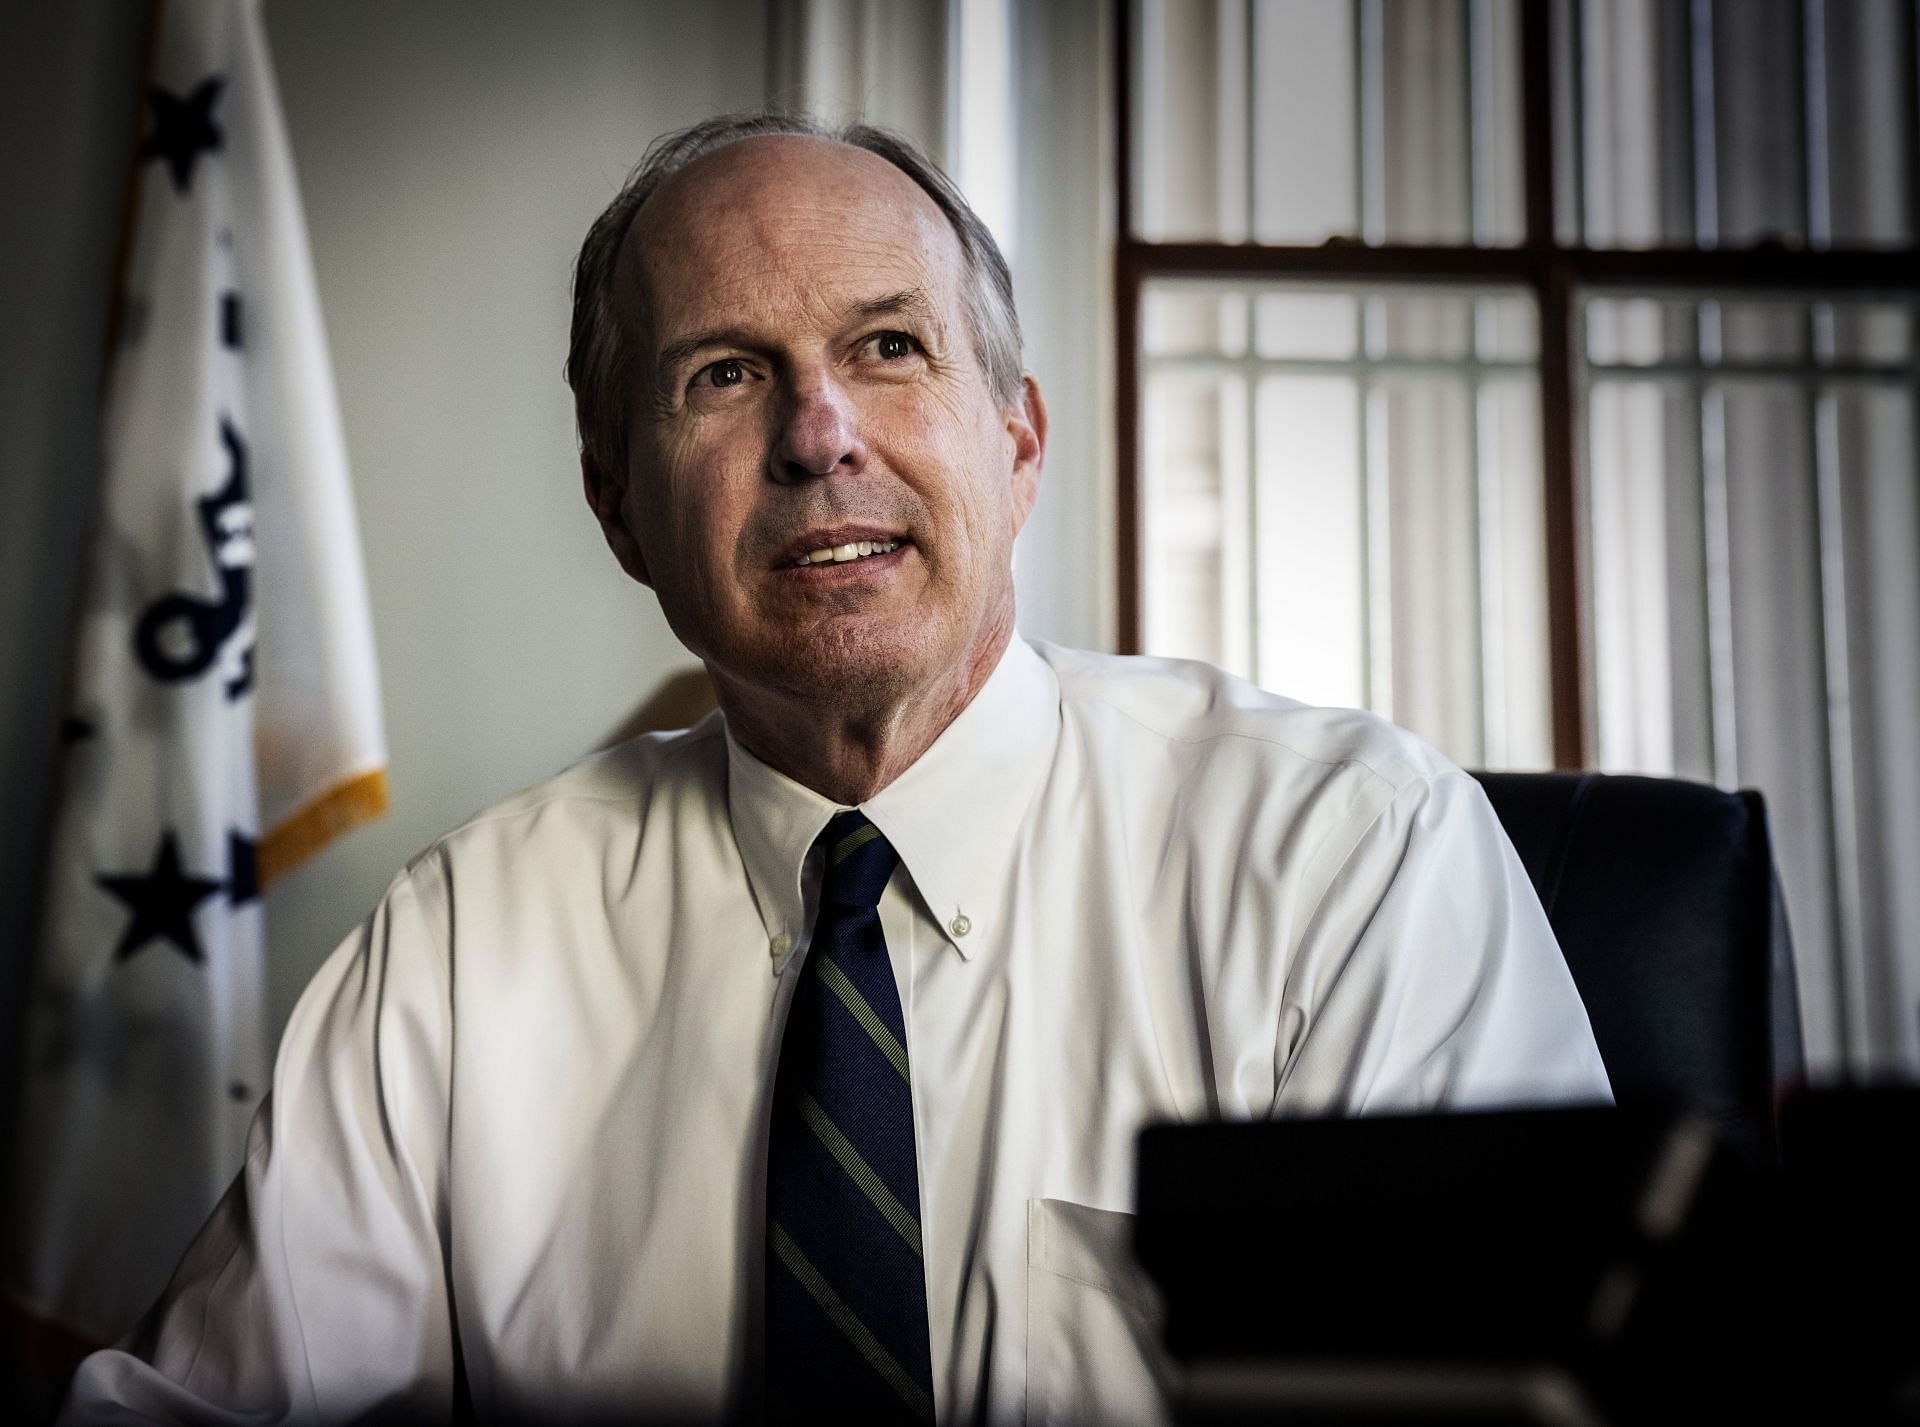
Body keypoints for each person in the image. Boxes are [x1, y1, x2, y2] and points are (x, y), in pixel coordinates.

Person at [63, 112, 1610, 1426]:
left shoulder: (1353, 859)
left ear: (1015, 443)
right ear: (619, 510)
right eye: (724, 376)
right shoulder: (464, 949)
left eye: (888, 347)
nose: (819, 435)